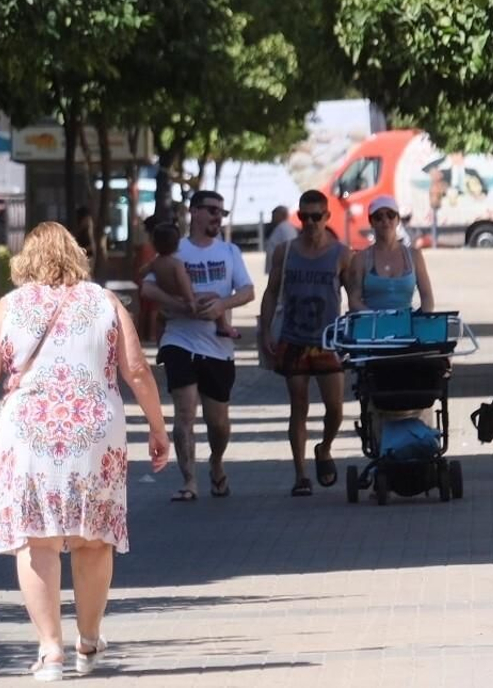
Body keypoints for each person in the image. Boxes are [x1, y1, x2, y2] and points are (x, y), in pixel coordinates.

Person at [0, 222, 169, 681]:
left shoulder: (10, 306)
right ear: (77, 255)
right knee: (94, 540)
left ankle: (50, 650)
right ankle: (88, 641)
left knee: (38, 540)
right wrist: (158, 428)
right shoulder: (105, 302)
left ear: (25, 260)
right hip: (96, 434)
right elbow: (136, 371)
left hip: (29, 433)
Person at [139, 190, 252, 502]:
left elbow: (247, 291)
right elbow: (147, 286)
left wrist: (221, 306)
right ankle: (189, 480)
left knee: (218, 423)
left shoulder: (229, 252)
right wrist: (177, 302)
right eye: (211, 210)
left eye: (221, 211)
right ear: (194, 212)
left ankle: (216, 461)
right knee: (185, 412)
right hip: (180, 339)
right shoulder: (175, 251)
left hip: (217, 346)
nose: (217, 216)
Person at [257, 190, 352, 497]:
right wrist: (265, 331)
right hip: (294, 338)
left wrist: (356, 332)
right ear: (298, 218)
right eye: (304, 217)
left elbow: (354, 296)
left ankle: (324, 448)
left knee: (335, 408)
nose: (310, 223)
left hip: (327, 340)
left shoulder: (341, 253)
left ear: (326, 217)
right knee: (298, 406)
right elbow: (271, 291)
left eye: (316, 217)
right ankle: (301, 474)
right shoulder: (285, 251)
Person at [346, 195, 434, 312]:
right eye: (378, 217)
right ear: (371, 222)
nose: (385, 220)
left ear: (398, 219)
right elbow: (354, 301)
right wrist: (376, 319)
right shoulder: (360, 259)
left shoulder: (414, 256)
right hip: (372, 327)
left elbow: (427, 297)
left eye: (390, 215)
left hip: (406, 327)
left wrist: (418, 321)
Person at [263, 206, 298, 274]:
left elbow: (290, 248)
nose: (272, 219)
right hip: (277, 268)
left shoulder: (285, 229)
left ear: (281, 215)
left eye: (274, 216)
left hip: (282, 269)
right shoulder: (281, 228)